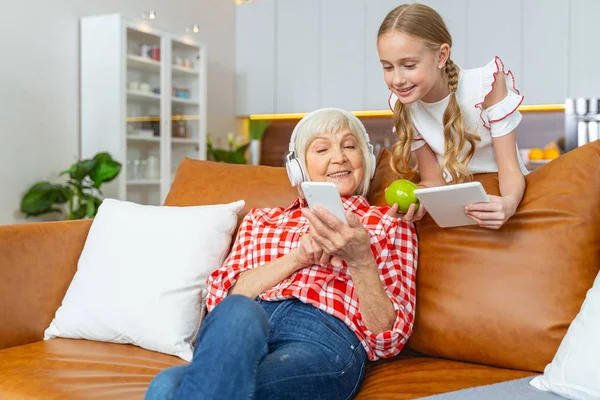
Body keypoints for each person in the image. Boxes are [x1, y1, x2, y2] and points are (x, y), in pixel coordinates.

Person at [144, 108, 418, 400]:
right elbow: (221, 299)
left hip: (322, 339)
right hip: (246, 330)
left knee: (168, 388)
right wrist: (298, 257)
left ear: (367, 160)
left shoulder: (389, 223)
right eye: (322, 149)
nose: (339, 157)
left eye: (350, 146)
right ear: (298, 169)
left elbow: (389, 338)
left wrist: (360, 259)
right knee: (237, 311)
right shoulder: (263, 220)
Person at [377, 3, 528, 230]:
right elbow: (434, 180)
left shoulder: (486, 86)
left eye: (409, 65)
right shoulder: (404, 105)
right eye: (388, 67)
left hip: (504, 198)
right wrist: (418, 199)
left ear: (441, 55)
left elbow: (510, 168)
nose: (397, 79)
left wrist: (508, 204)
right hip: (459, 209)